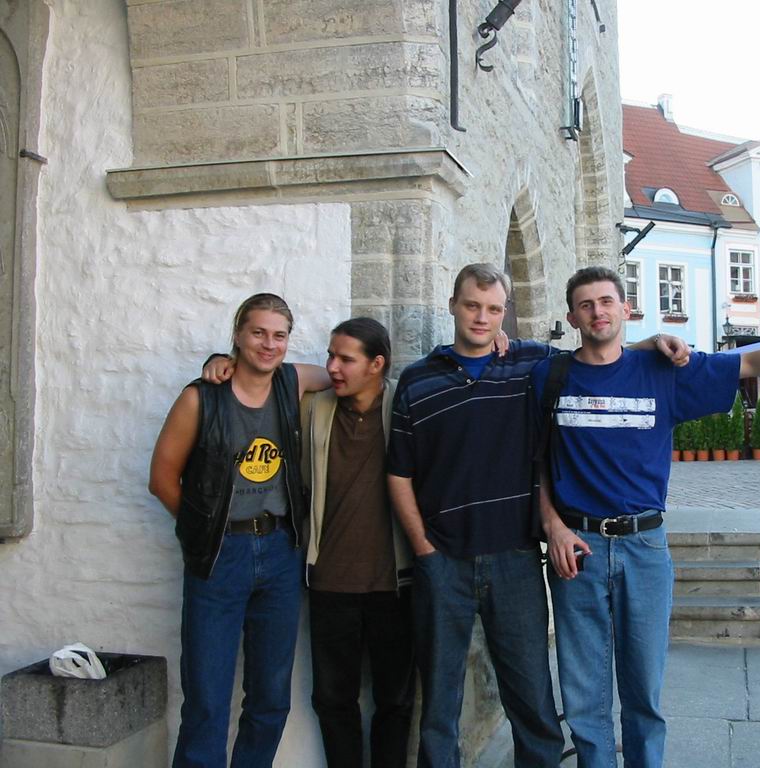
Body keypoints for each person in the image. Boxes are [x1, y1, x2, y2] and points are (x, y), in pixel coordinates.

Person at [534, 266, 760, 768]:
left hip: (644, 548)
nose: (597, 312)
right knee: (583, 694)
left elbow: (746, 363)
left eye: (606, 301)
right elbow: (532, 460)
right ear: (572, 316)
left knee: (644, 690)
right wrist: (552, 526)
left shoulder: (663, 372)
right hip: (577, 546)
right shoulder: (548, 376)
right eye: (586, 304)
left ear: (625, 309)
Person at [386, 263, 689, 767]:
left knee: (533, 700)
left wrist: (652, 342)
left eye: (493, 309)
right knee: (438, 700)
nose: (481, 317)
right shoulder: (418, 380)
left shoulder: (530, 363)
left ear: (505, 313)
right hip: (444, 560)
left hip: (516, 558)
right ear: (453, 306)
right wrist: (424, 550)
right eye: (472, 306)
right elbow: (399, 473)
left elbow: (596, 352)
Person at [149, 293, 329, 768]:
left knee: (270, 698)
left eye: (279, 335)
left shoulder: (292, 382)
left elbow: (343, 373)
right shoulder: (200, 398)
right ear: (237, 334)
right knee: (206, 700)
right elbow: (162, 478)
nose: (269, 344)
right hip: (220, 555)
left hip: (280, 552)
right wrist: (206, 529)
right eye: (258, 333)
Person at [304, 318, 415, 768]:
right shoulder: (315, 409)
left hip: (395, 584)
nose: (332, 366)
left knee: (396, 701)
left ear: (377, 364)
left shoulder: (405, 406)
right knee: (333, 701)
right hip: (329, 583)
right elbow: (273, 375)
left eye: (345, 359)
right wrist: (224, 362)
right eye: (330, 356)